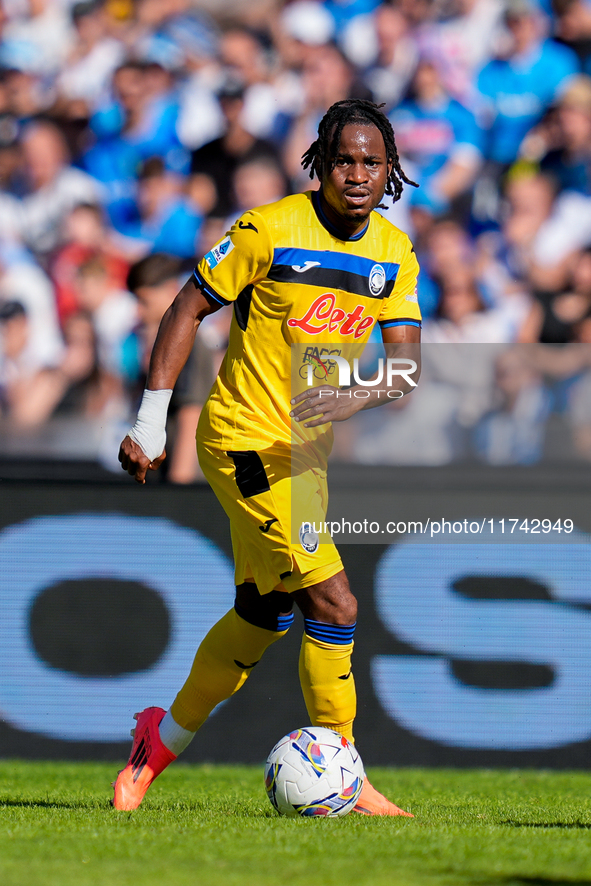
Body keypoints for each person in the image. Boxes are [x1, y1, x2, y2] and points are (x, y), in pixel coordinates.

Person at [114, 99, 422, 817]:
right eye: (342, 159)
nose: (356, 174)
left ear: (389, 171)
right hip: (242, 439)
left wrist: (357, 395)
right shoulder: (268, 229)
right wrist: (151, 423)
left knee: (263, 613)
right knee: (334, 598)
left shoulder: (392, 252)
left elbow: (405, 367)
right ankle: (347, 773)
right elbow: (185, 308)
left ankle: (157, 741)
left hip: (305, 456)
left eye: (370, 163)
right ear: (320, 161)